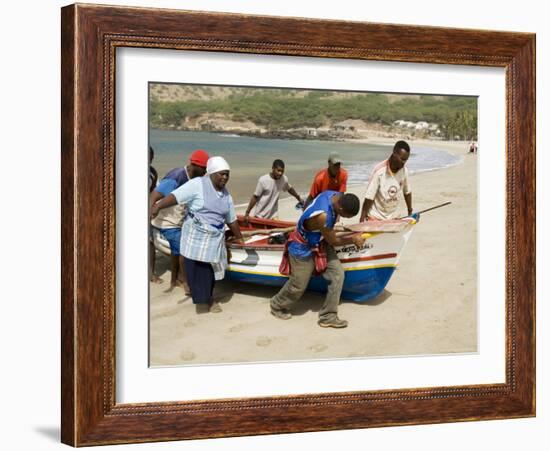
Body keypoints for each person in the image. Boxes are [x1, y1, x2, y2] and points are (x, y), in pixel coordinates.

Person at [151, 156, 244, 313]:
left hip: (214, 238)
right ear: (212, 173)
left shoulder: (226, 195)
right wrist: (158, 206)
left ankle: (207, 297)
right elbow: (176, 196)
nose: (225, 177)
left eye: (227, 174)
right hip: (196, 236)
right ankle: (207, 299)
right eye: (222, 174)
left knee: (210, 270)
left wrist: (240, 237)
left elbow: (231, 219)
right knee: (199, 269)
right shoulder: (197, 184)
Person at [270, 191, 366, 328]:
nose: (343, 218)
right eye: (345, 215)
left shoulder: (333, 194)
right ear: (340, 208)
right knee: (299, 284)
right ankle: (276, 304)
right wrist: (352, 239)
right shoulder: (323, 216)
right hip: (302, 246)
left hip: (320, 241)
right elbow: (333, 240)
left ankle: (328, 316)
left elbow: (329, 235)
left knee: (338, 274)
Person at [150, 149, 209, 293]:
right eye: (204, 169)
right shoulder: (176, 176)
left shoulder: (195, 179)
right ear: (194, 165)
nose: (205, 172)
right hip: (166, 222)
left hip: (179, 221)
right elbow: (154, 195)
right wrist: (152, 210)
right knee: (184, 248)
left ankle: (175, 278)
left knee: (183, 246)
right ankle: (184, 280)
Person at [360, 140, 414, 222]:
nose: (404, 163)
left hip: (393, 217)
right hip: (375, 218)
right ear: (394, 153)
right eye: (402, 159)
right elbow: (369, 197)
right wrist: (362, 219)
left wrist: (410, 211)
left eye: (406, 160)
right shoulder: (379, 171)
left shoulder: (404, 171)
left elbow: (407, 192)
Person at [149, 147, 160, 284]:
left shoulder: (152, 173)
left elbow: (153, 193)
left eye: (150, 156)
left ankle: (151, 273)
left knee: (150, 242)